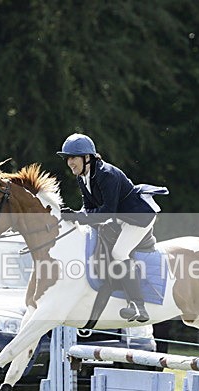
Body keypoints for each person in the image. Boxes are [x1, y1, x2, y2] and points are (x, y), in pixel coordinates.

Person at [57, 133, 167, 323]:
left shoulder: (107, 175)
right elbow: (88, 207)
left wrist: (79, 217)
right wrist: (76, 214)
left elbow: (106, 212)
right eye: (67, 158)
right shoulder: (83, 177)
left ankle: (137, 305)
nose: (70, 163)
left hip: (137, 217)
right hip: (118, 218)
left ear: (87, 157)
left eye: (73, 158)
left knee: (119, 252)